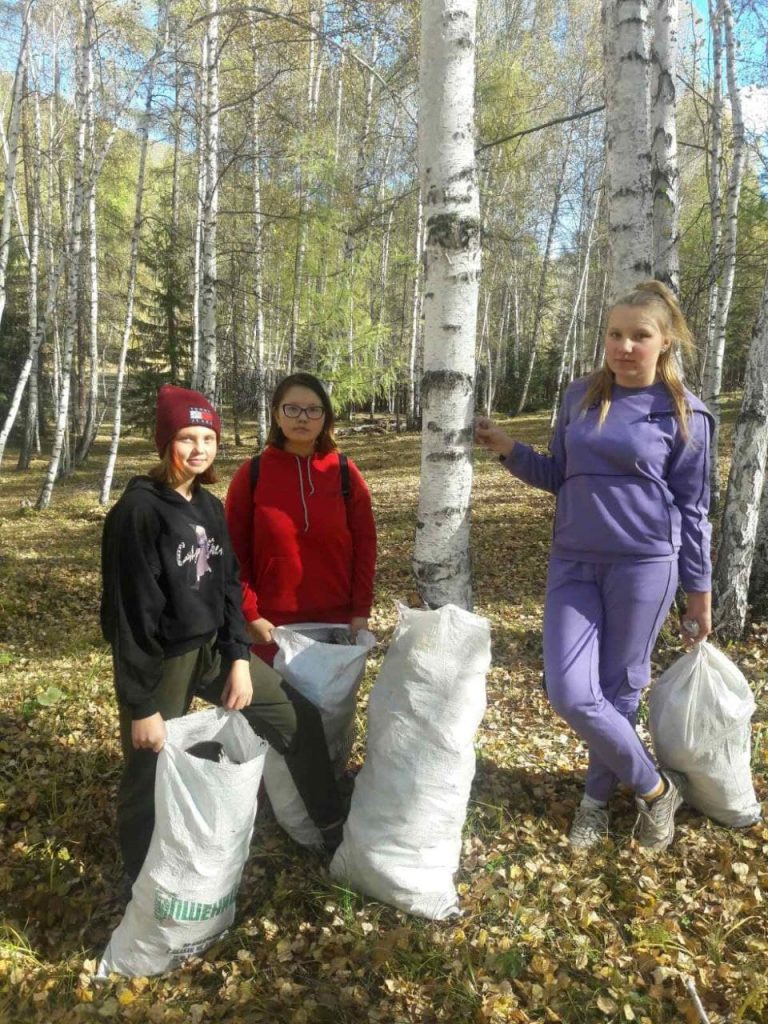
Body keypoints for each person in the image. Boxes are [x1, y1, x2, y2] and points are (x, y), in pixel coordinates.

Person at [476, 280, 713, 853]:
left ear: (665, 342)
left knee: (619, 689)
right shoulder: (579, 396)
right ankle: (656, 788)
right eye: (615, 334)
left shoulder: (685, 413)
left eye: (639, 336)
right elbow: (561, 475)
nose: (624, 346)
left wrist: (699, 593)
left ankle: (594, 802)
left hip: (645, 566)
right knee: (569, 691)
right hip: (574, 561)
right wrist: (509, 449)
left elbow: (694, 509)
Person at [101, 384, 347, 884]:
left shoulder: (208, 507)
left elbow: (229, 587)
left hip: (213, 650)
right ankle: (142, 888)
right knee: (150, 770)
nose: (199, 449)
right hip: (161, 662)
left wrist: (237, 658)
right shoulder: (139, 512)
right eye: (186, 438)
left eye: (208, 438)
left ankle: (333, 829)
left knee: (298, 719)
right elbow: (130, 616)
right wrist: (142, 705)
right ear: (165, 442)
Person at [224, 372, 377, 666]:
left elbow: (365, 545)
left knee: (332, 698)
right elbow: (233, 552)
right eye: (292, 409)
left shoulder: (345, 472)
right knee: (275, 698)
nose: (303, 418)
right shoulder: (252, 474)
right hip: (270, 628)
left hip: (337, 624)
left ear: (325, 417)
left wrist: (360, 611)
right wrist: (250, 613)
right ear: (276, 415)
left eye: (313, 409)